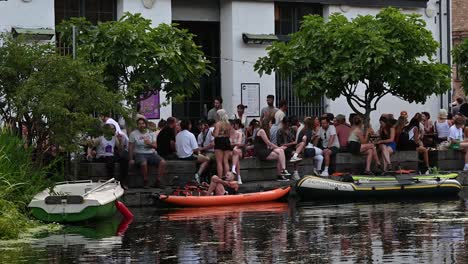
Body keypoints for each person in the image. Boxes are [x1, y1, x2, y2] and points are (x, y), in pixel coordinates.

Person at [129, 118, 167, 188]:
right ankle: (145, 180)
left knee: (163, 162)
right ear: (137, 125)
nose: (141, 125)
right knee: (143, 163)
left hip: (151, 153)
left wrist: (149, 143)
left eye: (143, 123)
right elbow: (130, 147)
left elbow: (155, 146)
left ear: (145, 124)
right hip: (139, 153)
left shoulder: (151, 133)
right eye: (139, 124)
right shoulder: (133, 134)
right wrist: (131, 159)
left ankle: (158, 181)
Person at [176, 119, 210, 184]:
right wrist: (200, 152)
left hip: (180, 155)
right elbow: (195, 149)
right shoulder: (190, 135)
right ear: (189, 126)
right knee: (207, 159)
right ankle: (198, 174)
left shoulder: (178, 135)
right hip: (188, 156)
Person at [213, 109, 232, 178]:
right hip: (227, 141)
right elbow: (229, 135)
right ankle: (228, 178)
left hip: (219, 141)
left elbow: (216, 135)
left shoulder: (218, 124)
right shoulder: (228, 124)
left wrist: (213, 133)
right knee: (225, 161)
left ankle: (220, 178)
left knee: (219, 162)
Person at [229, 119, 245, 184]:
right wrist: (233, 147)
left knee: (237, 151)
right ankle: (238, 176)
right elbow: (227, 145)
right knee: (236, 156)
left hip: (239, 150)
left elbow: (239, 143)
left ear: (232, 125)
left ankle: (234, 170)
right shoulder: (227, 134)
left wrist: (234, 147)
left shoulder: (239, 133)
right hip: (231, 151)